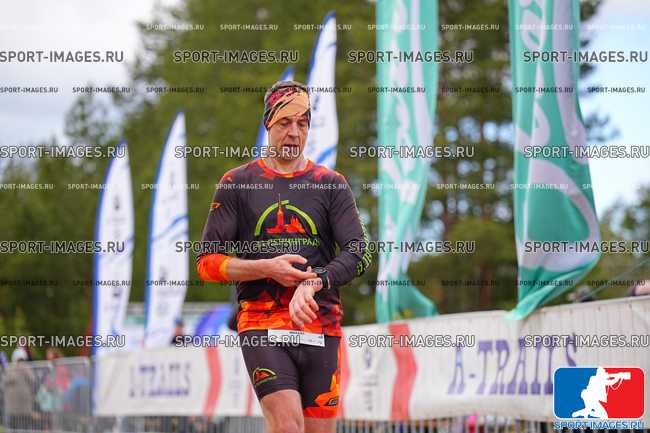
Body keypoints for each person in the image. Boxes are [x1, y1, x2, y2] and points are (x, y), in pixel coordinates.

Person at [197, 80, 371, 433]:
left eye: (302, 124)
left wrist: (315, 282)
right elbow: (206, 263)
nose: (294, 133)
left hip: (320, 324)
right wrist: (267, 268)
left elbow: (359, 252)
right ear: (268, 123)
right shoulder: (237, 184)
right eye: (285, 123)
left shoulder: (330, 184)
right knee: (287, 426)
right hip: (262, 325)